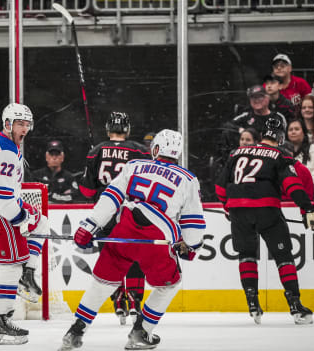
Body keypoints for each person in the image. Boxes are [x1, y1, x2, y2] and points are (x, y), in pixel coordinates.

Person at [59, 129, 205, 351]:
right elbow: (193, 220)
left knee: (102, 284)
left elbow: (111, 197)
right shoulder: (188, 179)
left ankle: (75, 331)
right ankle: (141, 332)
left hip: (123, 231)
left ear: (155, 149)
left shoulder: (134, 166)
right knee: (169, 285)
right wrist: (191, 245)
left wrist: (89, 225)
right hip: (157, 236)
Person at [215, 118, 314, 325]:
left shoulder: (235, 153)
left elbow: (220, 188)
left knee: (246, 254)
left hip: (238, 210)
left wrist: (228, 207)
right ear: (281, 137)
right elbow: (293, 185)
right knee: (283, 256)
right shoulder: (280, 155)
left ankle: (253, 303)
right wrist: (307, 208)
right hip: (267, 209)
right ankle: (295, 305)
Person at [0, 103, 49, 345]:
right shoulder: (6, 151)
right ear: (7, 124)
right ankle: (1, 323)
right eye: (19, 123)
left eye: (26, 124)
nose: (24, 129)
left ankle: (28, 273)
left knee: (41, 221)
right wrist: (22, 219)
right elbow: (2, 199)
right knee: (11, 266)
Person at [79, 111, 151, 324]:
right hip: (132, 210)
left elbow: (86, 191)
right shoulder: (140, 151)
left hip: (106, 211)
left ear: (108, 129)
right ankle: (136, 300)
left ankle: (119, 300)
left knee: (112, 258)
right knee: (136, 255)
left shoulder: (96, 151)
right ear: (127, 130)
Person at [221, 85, 287, 158]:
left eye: (260, 96)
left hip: (270, 156)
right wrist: (241, 130)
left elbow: (282, 141)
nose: (256, 100)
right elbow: (227, 126)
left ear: (267, 97)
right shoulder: (246, 116)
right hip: (247, 157)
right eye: (253, 97)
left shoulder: (278, 117)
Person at [30, 139, 80, 203]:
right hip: (41, 211)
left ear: (62, 157)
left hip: (63, 211)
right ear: (46, 157)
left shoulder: (69, 177)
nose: (54, 158)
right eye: (51, 154)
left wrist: (52, 196)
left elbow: (74, 196)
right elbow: (31, 197)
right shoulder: (36, 176)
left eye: (57, 154)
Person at [286, 118, 314, 182]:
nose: (293, 132)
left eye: (297, 129)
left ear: (304, 132)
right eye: (290, 130)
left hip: (310, 188)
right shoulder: (283, 152)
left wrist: (304, 182)